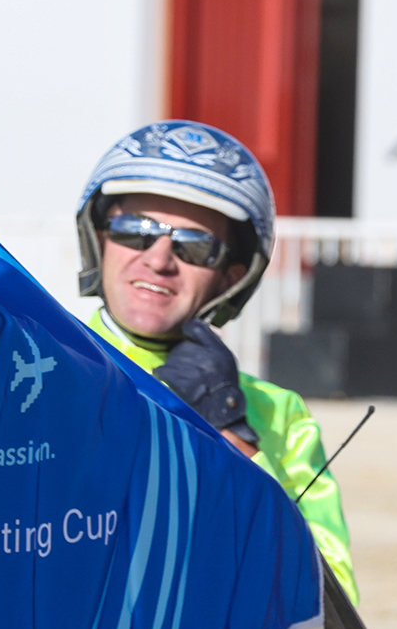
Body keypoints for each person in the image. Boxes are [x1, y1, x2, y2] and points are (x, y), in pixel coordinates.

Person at [75, 120, 359, 603]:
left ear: (231, 277)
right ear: (100, 240)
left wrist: (229, 436)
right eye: (135, 231)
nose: (159, 260)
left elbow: (328, 607)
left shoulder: (278, 416)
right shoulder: (30, 373)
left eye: (195, 246)